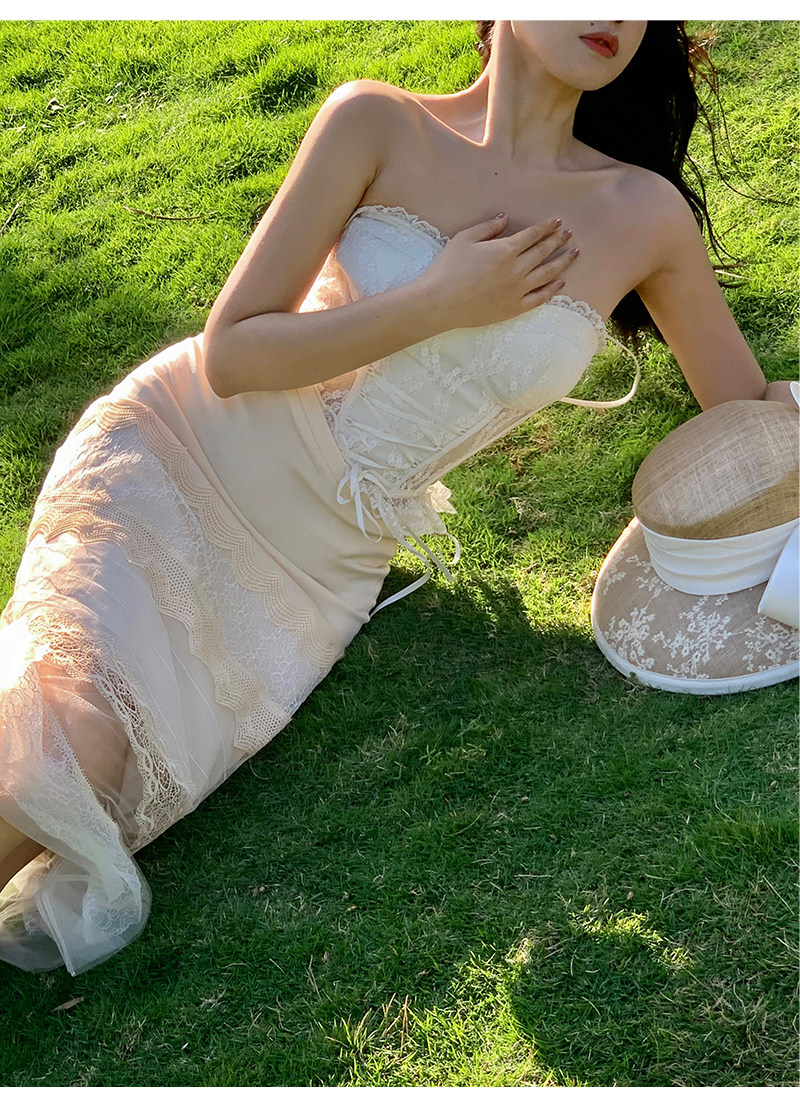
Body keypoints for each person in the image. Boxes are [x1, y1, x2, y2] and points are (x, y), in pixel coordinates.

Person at [0, 20, 795, 975]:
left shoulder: (641, 213)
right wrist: (437, 300)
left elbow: (748, 420)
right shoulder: (376, 123)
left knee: (104, 778)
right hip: (175, 460)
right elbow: (232, 352)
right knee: (77, 742)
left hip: (313, 574)